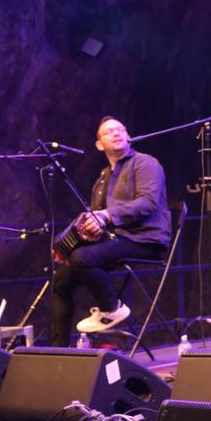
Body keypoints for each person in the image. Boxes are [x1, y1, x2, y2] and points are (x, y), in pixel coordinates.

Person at [49, 117, 171, 346]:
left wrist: (107, 215)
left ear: (128, 136)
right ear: (99, 144)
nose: (116, 133)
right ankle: (59, 351)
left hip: (145, 240)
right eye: (109, 132)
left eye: (120, 129)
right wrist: (66, 246)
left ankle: (110, 308)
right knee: (60, 280)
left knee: (83, 258)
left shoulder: (145, 164)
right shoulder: (103, 177)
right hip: (117, 240)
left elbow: (147, 203)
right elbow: (94, 217)